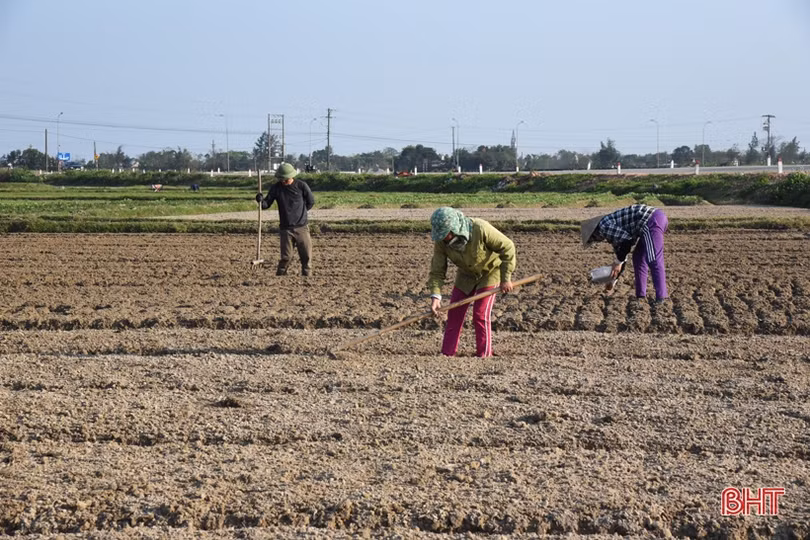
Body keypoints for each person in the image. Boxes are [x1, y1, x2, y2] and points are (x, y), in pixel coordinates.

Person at [427, 207, 516, 357]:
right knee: (454, 314)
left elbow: (508, 247)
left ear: (454, 228)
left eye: (446, 234)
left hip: (490, 272)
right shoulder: (441, 242)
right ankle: (447, 353)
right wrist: (436, 296)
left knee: (480, 314)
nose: (444, 238)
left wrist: (505, 278)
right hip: (466, 276)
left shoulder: (479, 229)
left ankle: (484, 354)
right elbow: (437, 271)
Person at [580, 203, 669, 301]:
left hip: (651, 220)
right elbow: (622, 256)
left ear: (593, 233)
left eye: (593, 239)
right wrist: (612, 282)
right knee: (638, 258)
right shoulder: (610, 230)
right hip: (649, 222)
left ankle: (661, 297)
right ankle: (640, 295)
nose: (596, 240)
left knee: (654, 259)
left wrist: (617, 262)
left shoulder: (603, 227)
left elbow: (626, 242)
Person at [255, 163, 315, 276]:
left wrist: (301, 213)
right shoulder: (276, 188)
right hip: (285, 229)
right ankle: (280, 276)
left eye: (285, 179)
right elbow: (266, 204)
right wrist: (260, 200)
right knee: (286, 257)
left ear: (291, 176)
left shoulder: (301, 186)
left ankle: (307, 276)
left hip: (301, 227)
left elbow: (311, 202)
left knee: (306, 256)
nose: (283, 181)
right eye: (281, 179)